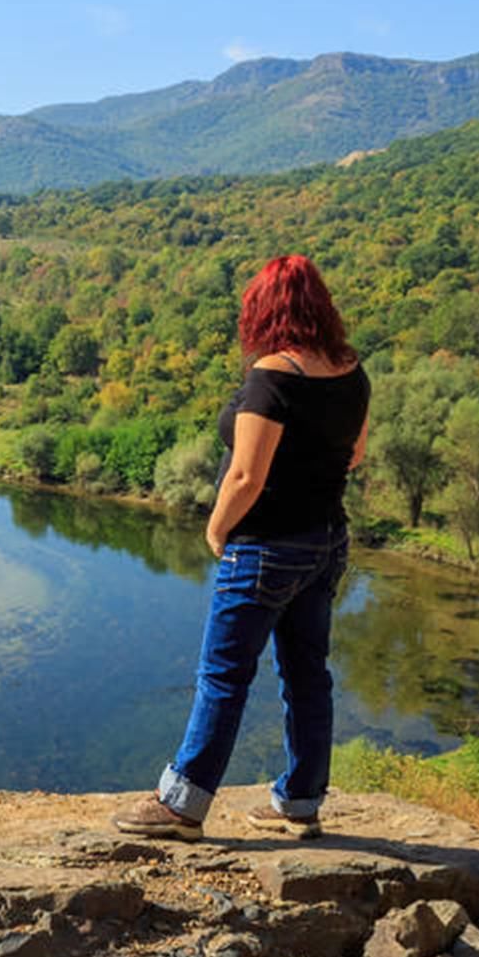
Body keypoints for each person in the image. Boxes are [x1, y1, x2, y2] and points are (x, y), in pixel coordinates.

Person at [113, 254, 369, 841]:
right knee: (307, 676)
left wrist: (216, 528)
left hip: (265, 546)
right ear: (320, 305)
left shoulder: (272, 377)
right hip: (326, 542)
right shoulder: (351, 369)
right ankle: (301, 801)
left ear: (263, 309)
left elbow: (246, 477)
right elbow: (353, 455)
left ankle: (182, 805)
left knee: (223, 675)